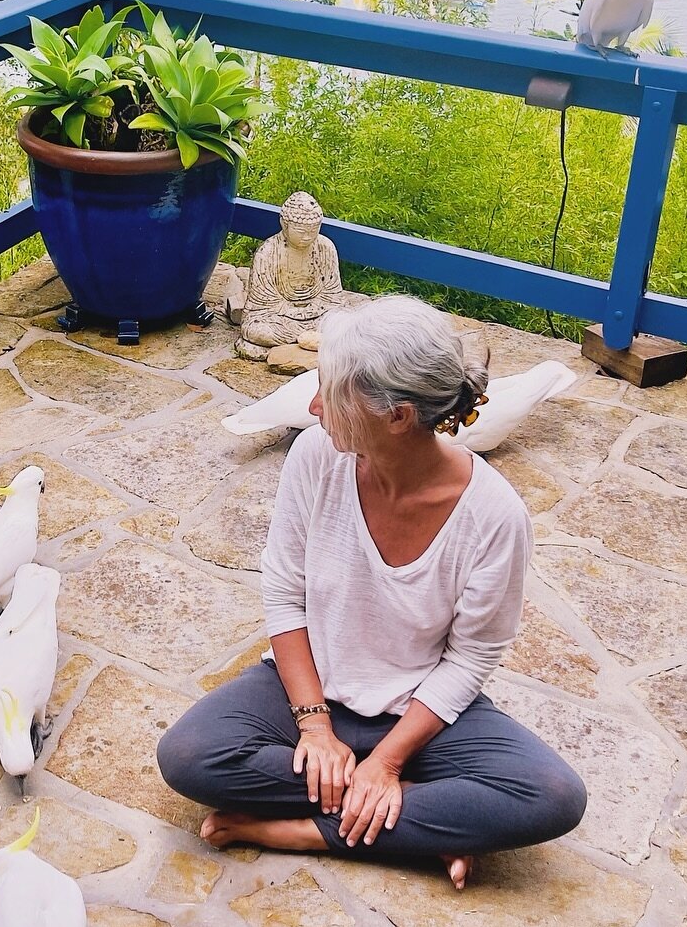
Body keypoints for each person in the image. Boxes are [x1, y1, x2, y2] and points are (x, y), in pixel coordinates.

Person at [159, 294, 585, 888]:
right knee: (189, 757)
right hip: (308, 691)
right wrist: (314, 726)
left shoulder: (494, 516)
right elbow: (285, 593)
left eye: (331, 392)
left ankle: (309, 831)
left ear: (398, 416)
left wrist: (386, 760)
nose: (312, 404)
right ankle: (421, 822)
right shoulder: (314, 456)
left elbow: (472, 656)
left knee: (554, 796)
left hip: (416, 712)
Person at [234, 190, 344, 360]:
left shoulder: (325, 247)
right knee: (256, 330)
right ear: (285, 225)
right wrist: (292, 312)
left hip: (317, 314)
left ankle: (306, 338)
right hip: (279, 318)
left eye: (313, 231)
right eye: (300, 231)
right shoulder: (268, 251)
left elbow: (333, 296)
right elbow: (262, 302)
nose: (307, 237)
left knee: (342, 320)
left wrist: (312, 310)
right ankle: (313, 339)